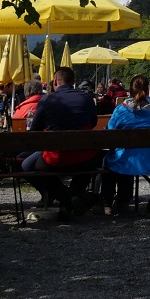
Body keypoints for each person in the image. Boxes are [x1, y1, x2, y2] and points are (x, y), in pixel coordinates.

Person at [21, 66, 101, 219]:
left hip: (57, 158)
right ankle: (73, 199)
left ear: (55, 82)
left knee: (27, 165)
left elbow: (35, 132)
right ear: (73, 82)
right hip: (84, 156)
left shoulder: (47, 99)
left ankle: (67, 199)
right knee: (86, 161)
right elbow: (92, 123)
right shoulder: (86, 98)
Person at [100, 74, 150, 216]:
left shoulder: (121, 110)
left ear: (129, 91)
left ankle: (108, 203)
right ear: (149, 89)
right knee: (126, 155)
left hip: (125, 161)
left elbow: (109, 133)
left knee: (109, 160)